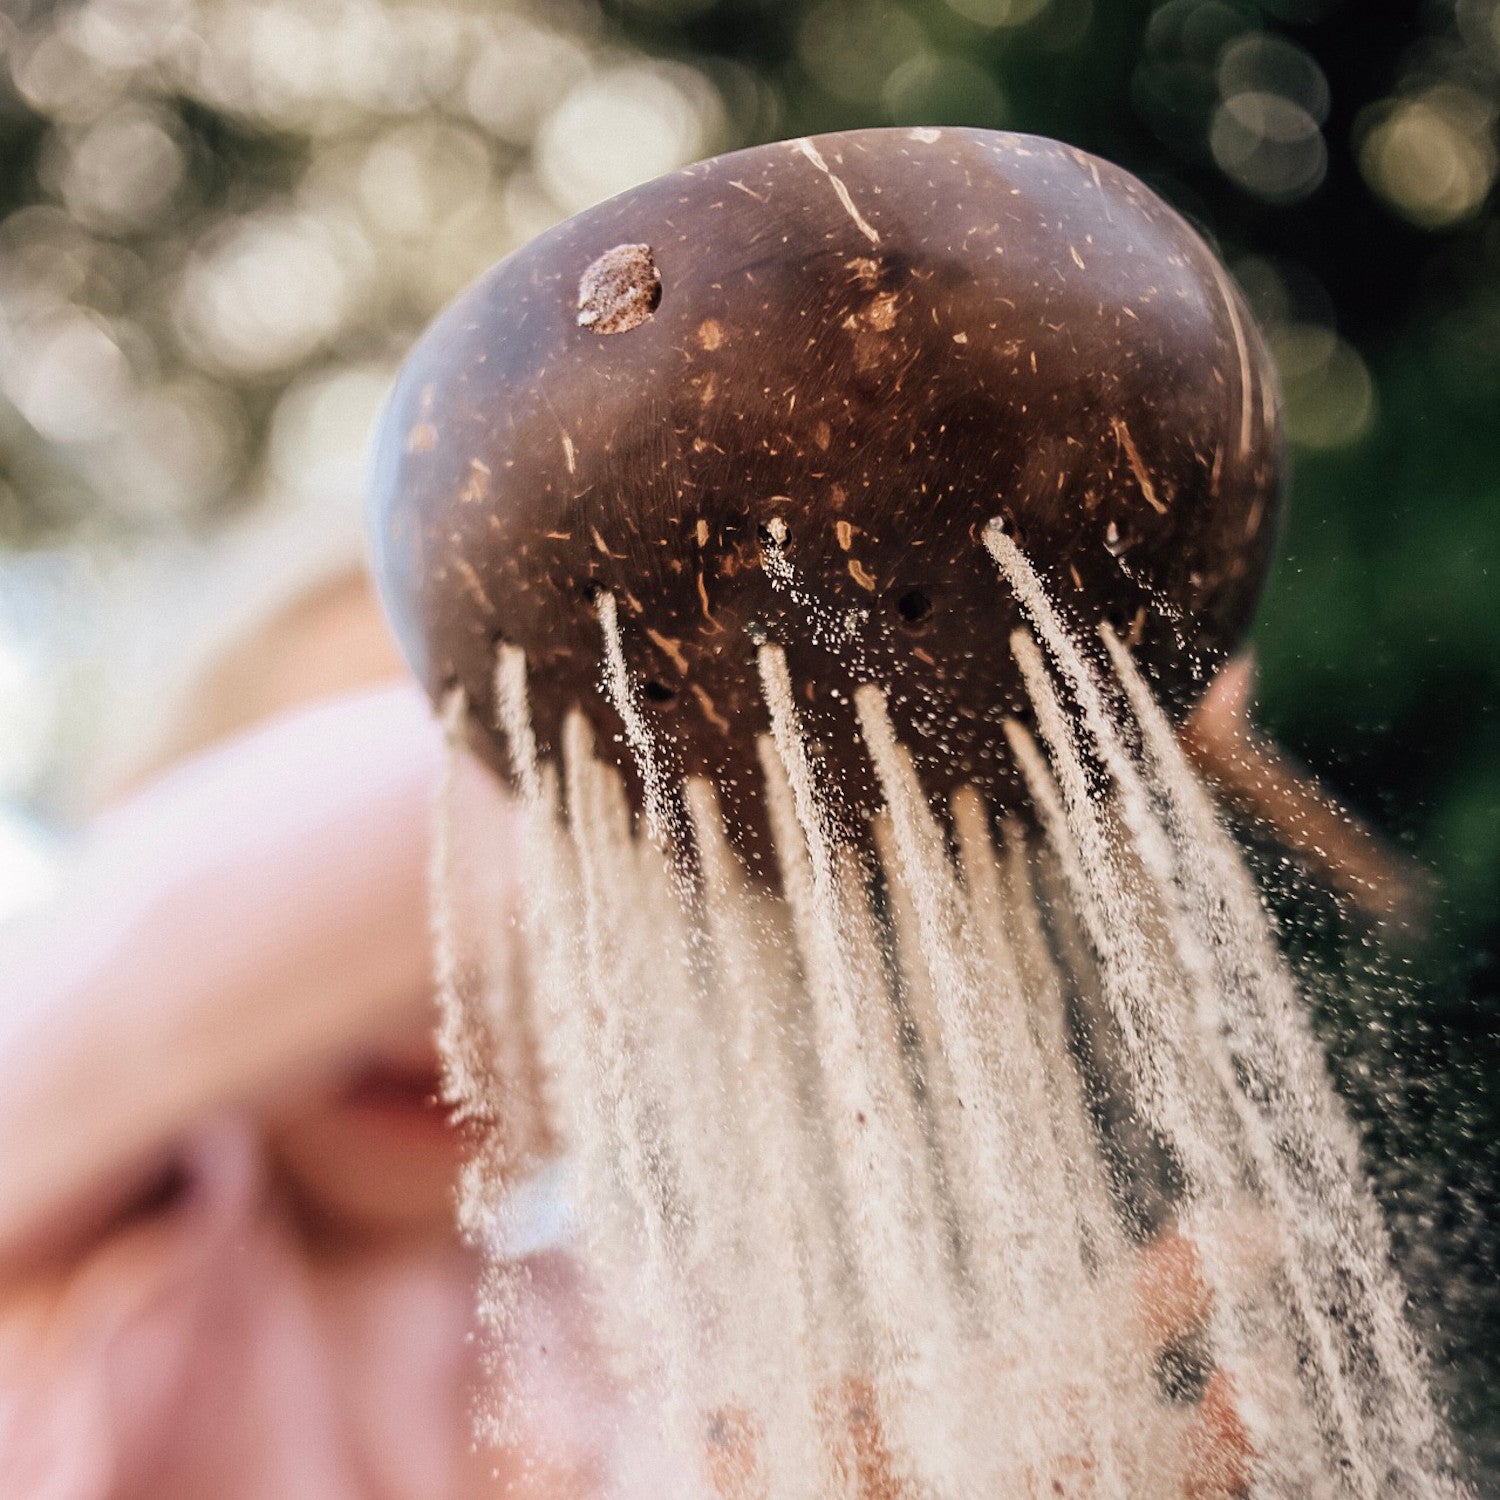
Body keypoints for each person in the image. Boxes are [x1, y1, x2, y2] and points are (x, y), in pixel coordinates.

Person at [4, 550, 1399, 1497]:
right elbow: (162, 944)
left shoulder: (612, 1347)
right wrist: (836, 681)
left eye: (577, 939)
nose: (446, 1003)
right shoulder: (71, 1212)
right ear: (154, 823)